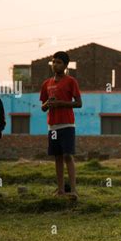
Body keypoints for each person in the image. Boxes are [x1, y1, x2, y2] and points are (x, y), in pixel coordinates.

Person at [40, 51, 82, 200]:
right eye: (53, 62)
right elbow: (43, 107)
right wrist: (48, 103)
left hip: (67, 125)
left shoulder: (71, 81)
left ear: (65, 65)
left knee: (68, 156)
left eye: (58, 62)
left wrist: (60, 103)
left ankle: (73, 190)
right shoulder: (47, 83)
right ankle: (61, 190)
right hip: (52, 126)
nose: (55, 65)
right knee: (57, 157)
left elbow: (78, 103)